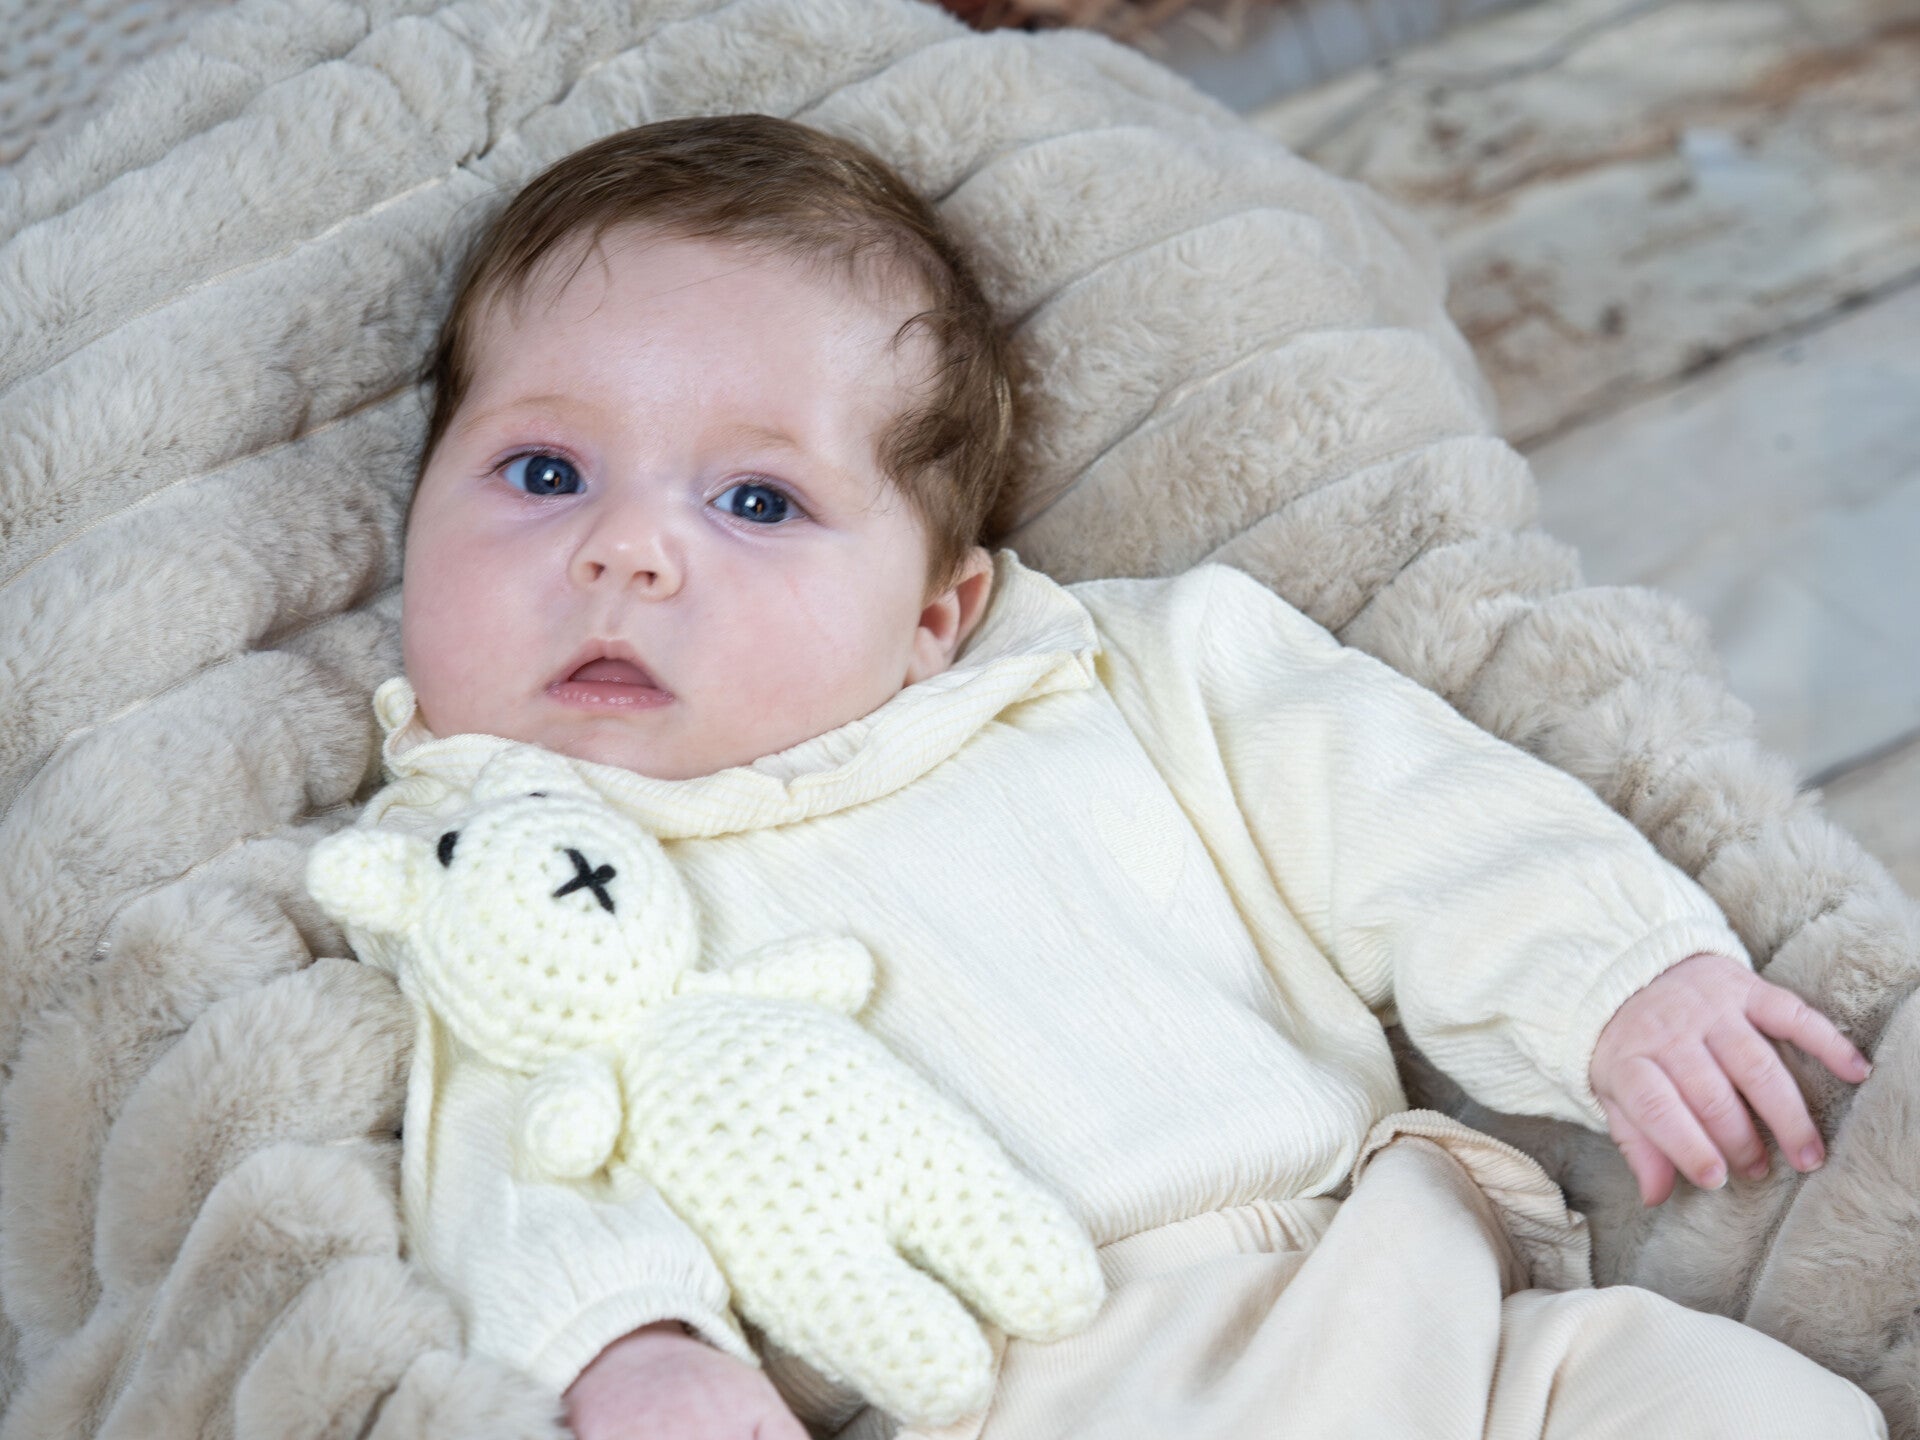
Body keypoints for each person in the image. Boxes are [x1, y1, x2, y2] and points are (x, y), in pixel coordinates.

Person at [344, 113, 1887, 1439]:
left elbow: (1399, 802)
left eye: (757, 500)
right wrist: (631, 1346)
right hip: (1002, 1398)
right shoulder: (501, 882)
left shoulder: (1126, 675)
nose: (625, 549)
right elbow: (510, 1152)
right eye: (543, 473)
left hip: (1396, 1299)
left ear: (935, 614)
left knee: (1761, 1410)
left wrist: (1614, 977)